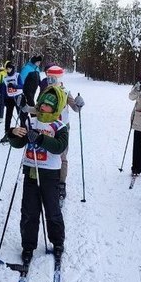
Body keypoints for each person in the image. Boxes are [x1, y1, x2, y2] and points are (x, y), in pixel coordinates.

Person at [8, 85, 68, 264]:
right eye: (42, 103)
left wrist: (41, 138)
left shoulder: (59, 126)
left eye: (49, 105)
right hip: (31, 173)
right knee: (29, 211)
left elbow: (59, 147)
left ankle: (57, 242)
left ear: (56, 107)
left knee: (52, 210)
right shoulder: (31, 122)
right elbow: (18, 144)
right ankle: (28, 245)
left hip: (50, 174)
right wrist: (13, 133)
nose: (43, 107)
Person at [44, 66, 83, 203]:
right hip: (47, 127)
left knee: (62, 155)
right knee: (47, 153)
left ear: (59, 79)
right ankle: (48, 177)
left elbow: (75, 108)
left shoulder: (65, 92)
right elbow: (39, 109)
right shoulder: (45, 91)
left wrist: (79, 104)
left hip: (62, 129)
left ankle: (61, 183)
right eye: (48, 78)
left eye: (52, 78)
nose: (49, 81)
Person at [1, 63, 21, 141]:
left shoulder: (17, 75)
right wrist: (4, 100)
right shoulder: (5, 78)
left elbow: (22, 85)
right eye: (7, 69)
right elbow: (3, 90)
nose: (8, 70)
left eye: (10, 68)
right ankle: (7, 133)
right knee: (8, 116)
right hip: (9, 99)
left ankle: (23, 133)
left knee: (21, 115)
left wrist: (14, 86)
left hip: (18, 97)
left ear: (12, 68)